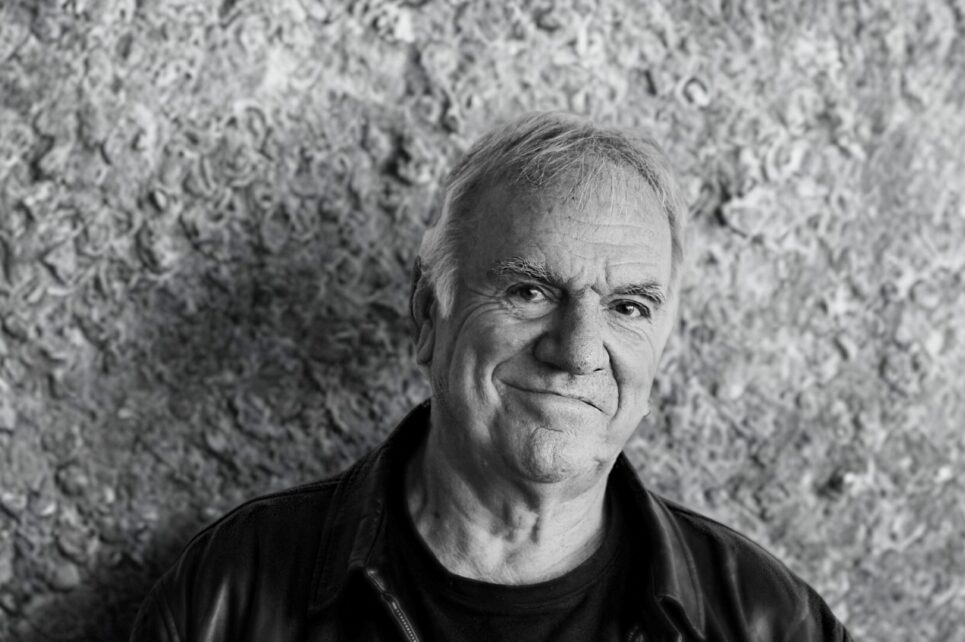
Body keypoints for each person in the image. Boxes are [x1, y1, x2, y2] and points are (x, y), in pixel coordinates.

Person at [130, 113, 852, 641]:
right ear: (427, 316)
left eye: (628, 307)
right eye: (529, 292)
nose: (578, 351)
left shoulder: (767, 622)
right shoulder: (230, 592)